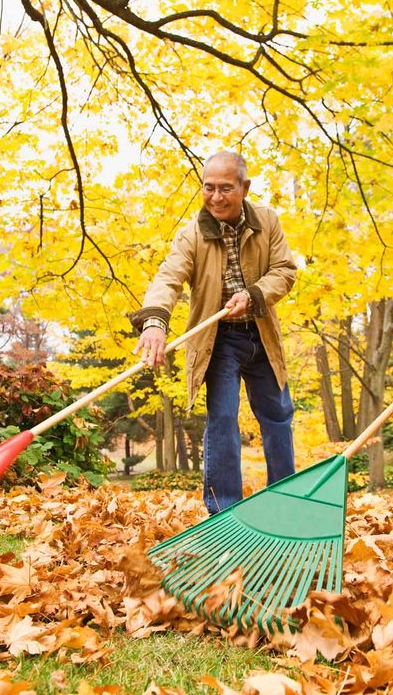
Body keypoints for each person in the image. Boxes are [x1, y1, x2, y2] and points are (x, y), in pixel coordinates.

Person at [129, 151, 297, 514]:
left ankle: (284, 501)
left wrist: (254, 295)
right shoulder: (192, 235)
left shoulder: (267, 221)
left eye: (226, 188)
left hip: (262, 333)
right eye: (209, 188)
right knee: (222, 418)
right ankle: (224, 512)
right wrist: (155, 322)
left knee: (278, 414)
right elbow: (168, 278)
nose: (216, 197)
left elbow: (285, 271)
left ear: (244, 187)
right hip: (219, 340)